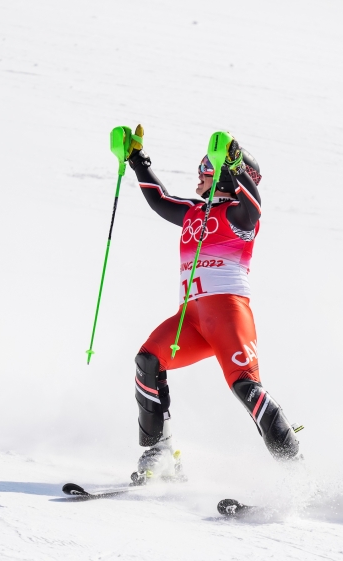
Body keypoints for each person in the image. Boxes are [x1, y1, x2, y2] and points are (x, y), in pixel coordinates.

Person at [127, 126, 300, 483]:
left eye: (204, 178)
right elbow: (159, 198)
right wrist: (136, 158)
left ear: (222, 177)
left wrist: (234, 165)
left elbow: (254, 207)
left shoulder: (240, 217)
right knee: (148, 360)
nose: (197, 187)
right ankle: (159, 453)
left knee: (246, 387)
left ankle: (296, 473)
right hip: (189, 320)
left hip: (227, 314)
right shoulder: (194, 212)